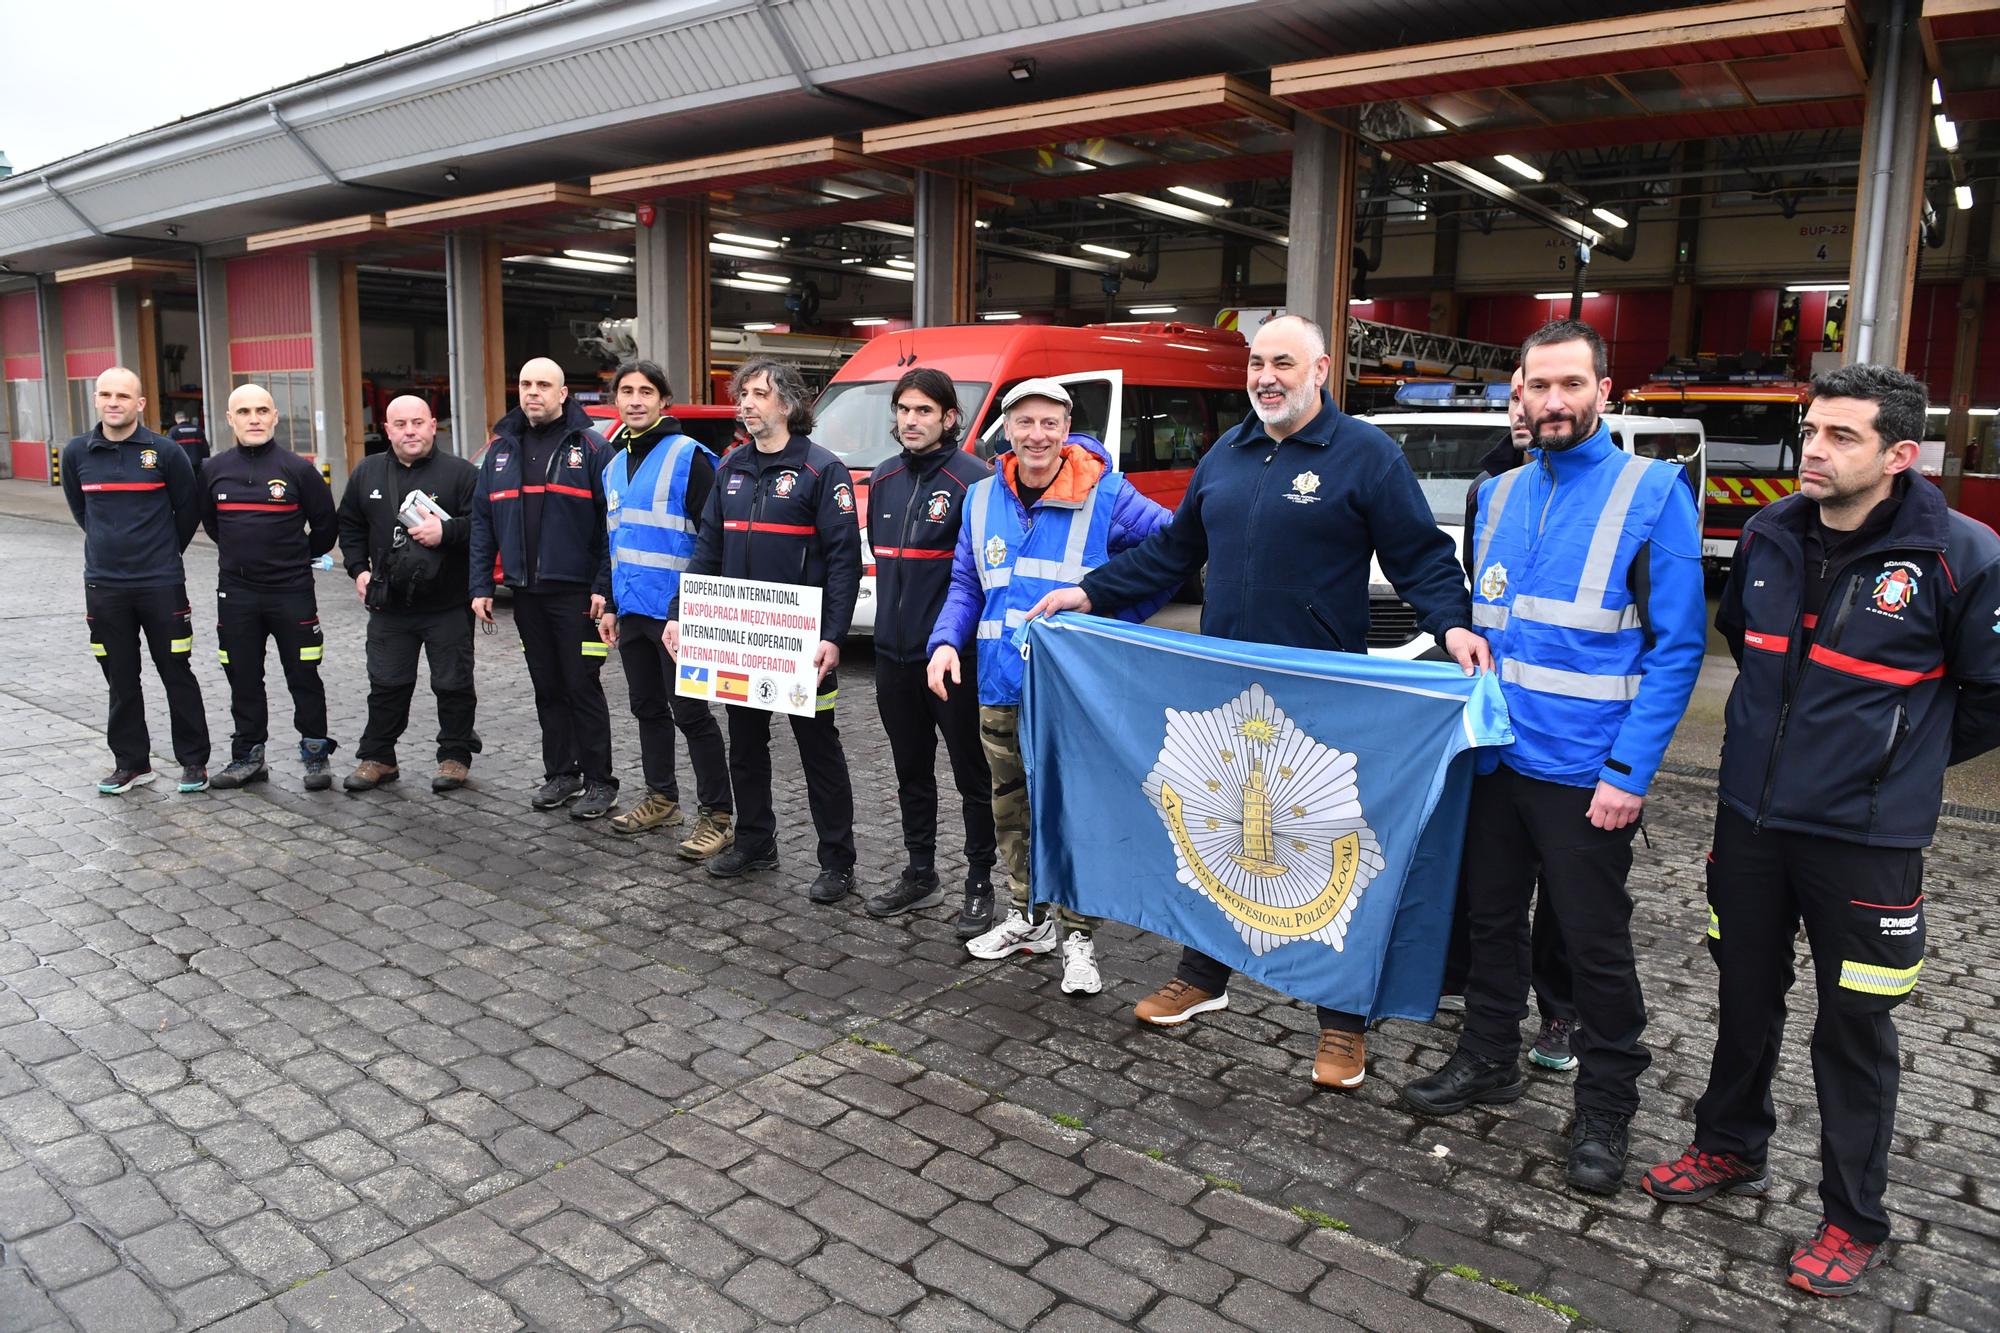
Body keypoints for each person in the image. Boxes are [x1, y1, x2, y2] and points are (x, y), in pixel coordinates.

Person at [1029, 315, 1488, 1086]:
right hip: (1225, 695)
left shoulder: (1365, 455)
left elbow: (1421, 557)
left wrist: (1454, 625)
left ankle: (1342, 1020)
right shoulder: (1227, 453)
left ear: (1321, 368)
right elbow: (1173, 553)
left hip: (1318, 701)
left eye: (1283, 362)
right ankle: (1202, 976)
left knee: (1323, 850)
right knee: (1219, 839)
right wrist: (1089, 592)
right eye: (1256, 363)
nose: (1266, 376)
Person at [1642, 364, 2000, 1297]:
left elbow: (1990, 694)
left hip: (1867, 843)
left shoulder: (1961, 554)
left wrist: (1897, 764)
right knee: (1742, 995)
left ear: (1898, 455)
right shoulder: (1766, 534)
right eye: (1812, 430)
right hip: (1752, 825)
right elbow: (1742, 645)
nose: (1816, 448)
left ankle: (1852, 1216)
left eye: (1842, 435)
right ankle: (1728, 1146)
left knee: (1855, 1027)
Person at [1400, 320, 1705, 1199]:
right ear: (1521, 395)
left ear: (1605, 391)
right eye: (1540, 386)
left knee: (1596, 950)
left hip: (1587, 778)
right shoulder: (1498, 494)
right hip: (1498, 763)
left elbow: (1678, 649)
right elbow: (1492, 624)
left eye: (1573, 385)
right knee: (1493, 925)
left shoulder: (1653, 493)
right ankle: (1489, 1056)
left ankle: (1606, 1104)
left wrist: (1629, 775)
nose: (1555, 401)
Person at [929, 378, 1172, 995]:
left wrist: (1110, 618)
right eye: (1024, 423)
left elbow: (1172, 550)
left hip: (1074, 690)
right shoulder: (981, 498)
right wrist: (943, 644)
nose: (1037, 436)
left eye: (1050, 424)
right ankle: (1028, 917)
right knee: (1010, 806)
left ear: (1067, 430)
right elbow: (966, 584)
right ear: (1006, 429)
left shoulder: (1106, 492)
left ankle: (1080, 937)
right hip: (1001, 683)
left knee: (1073, 813)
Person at [666, 358, 862, 904]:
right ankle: (755, 839)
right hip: (738, 635)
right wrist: (681, 612)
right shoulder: (730, 468)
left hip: (801, 641)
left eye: (758, 393)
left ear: (790, 404)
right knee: (745, 743)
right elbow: (707, 548)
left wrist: (834, 635)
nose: (746, 403)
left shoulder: (824, 472)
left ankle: (837, 862)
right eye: (743, 393)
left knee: (817, 748)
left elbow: (845, 561)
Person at [1438, 374, 1579, 1074]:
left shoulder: (1618, 493)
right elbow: (1479, 603)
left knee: (1567, 901)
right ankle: (1486, 1031)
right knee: (1492, 897)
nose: (1530, 404)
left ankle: (1561, 1010)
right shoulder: (1488, 492)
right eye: (1521, 391)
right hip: (1499, 737)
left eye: (1552, 388)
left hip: (1575, 749)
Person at [862, 368, 998, 931]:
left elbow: (982, 576)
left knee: (974, 776)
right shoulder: (885, 477)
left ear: (950, 417)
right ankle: (920, 873)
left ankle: (980, 882)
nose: (912, 420)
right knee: (910, 771)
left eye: (924, 410)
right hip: (891, 659)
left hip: (952, 660)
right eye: (904, 409)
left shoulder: (977, 480)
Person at [595, 360, 734, 859]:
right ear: (616, 400)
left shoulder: (690, 458)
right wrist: (610, 603)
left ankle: (717, 816)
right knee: (646, 708)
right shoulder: (613, 465)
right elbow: (613, 542)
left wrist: (687, 608)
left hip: (681, 614)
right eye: (626, 391)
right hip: (633, 612)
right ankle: (661, 798)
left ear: (663, 400)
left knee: (691, 714)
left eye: (645, 391)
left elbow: (712, 541)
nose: (635, 400)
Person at [469, 358, 618, 820]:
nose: (532, 392)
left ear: (563, 392)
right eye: (525, 384)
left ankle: (599, 781)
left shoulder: (591, 448)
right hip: (527, 593)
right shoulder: (500, 451)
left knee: (581, 685)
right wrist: (480, 585)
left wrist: (603, 587)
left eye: (543, 385)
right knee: (547, 687)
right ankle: (561, 774)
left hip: (577, 596)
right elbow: (481, 523)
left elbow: (612, 528)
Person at [61, 367, 210, 794]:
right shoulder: (77, 454)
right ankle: (132, 763)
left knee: (176, 672)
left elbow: (188, 510)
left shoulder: (165, 453)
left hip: (161, 584)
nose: (114, 402)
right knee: (120, 678)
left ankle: (193, 761)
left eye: (123, 396)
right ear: (95, 399)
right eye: (105, 394)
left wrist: (162, 554)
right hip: (104, 587)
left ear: (140, 404)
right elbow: (81, 511)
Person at [335, 394, 481, 794]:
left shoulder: (462, 474)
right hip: (389, 605)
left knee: (452, 682)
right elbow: (349, 526)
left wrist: (445, 532)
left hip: (448, 604)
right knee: (386, 682)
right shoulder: (367, 472)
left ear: (434, 425)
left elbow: (485, 529)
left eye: (418, 422)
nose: (410, 431)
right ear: (387, 429)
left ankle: (455, 755)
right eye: (400, 424)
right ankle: (379, 757)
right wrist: (358, 570)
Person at [200, 383, 341, 790]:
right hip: (237, 594)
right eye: (244, 412)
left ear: (275, 416)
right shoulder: (212, 469)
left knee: (303, 674)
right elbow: (212, 525)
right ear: (230, 419)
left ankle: (316, 755)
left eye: (262, 410)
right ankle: (248, 757)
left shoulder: (298, 470)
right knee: (242, 676)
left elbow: (325, 527)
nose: (254, 418)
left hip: (291, 592)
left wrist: (293, 558)